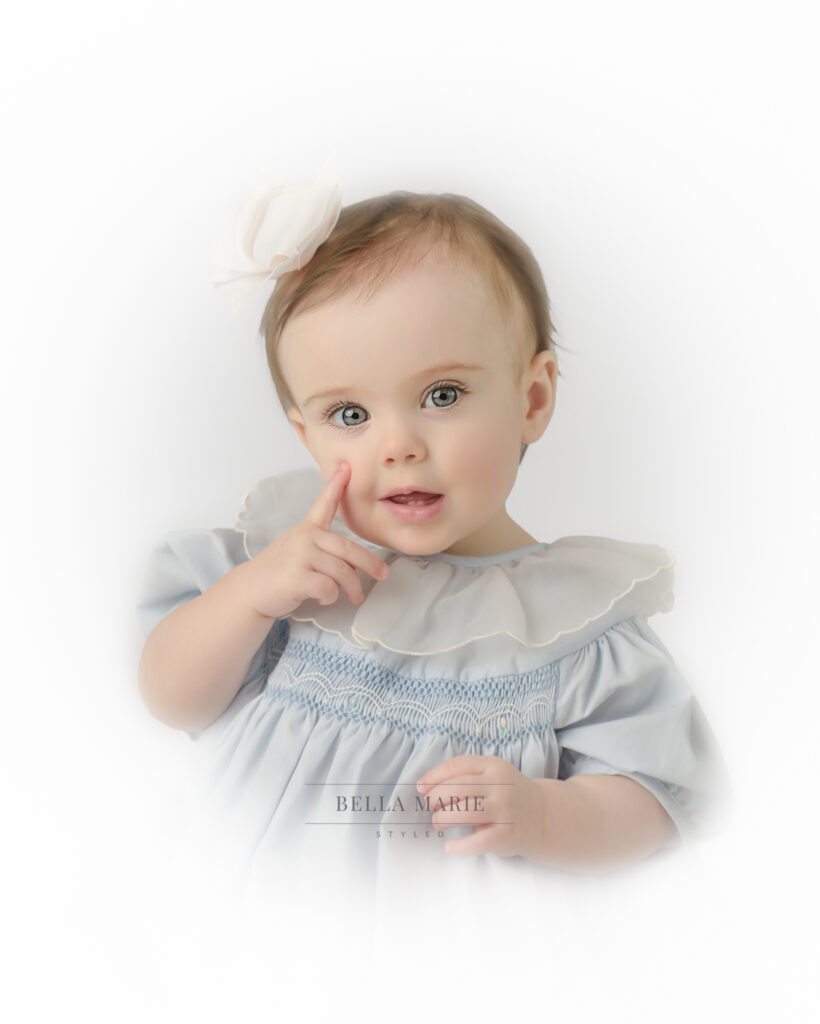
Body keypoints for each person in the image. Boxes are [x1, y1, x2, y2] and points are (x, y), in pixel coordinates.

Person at [136, 162, 730, 910]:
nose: (399, 445)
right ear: (306, 435)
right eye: (349, 415)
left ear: (533, 399)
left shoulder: (569, 629)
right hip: (251, 919)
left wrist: (546, 816)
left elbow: (657, 799)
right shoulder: (289, 575)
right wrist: (247, 598)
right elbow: (173, 700)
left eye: (441, 395)